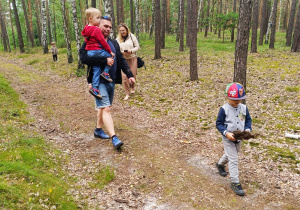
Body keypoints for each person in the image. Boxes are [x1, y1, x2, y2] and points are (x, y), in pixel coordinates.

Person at [80, 16, 135, 150]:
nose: (108, 29)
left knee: (104, 107)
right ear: (98, 25)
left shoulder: (113, 43)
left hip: (111, 80)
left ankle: (98, 130)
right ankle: (114, 138)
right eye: (105, 26)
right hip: (98, 81)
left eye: (110, 27)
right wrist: (104, 62)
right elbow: (84, 58)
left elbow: (121, 60)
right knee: (107, 108)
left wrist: (129, 75)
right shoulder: (89, 42)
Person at [215, 82, 252, 196]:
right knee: (234, 159)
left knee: (231, 154)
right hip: (228, 137)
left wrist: (247, 130)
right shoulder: (224, 109)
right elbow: (219, 124)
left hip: (239, 137)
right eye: (234, 99)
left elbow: (248, 121)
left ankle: (220, 164)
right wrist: (226, 133)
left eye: (239, 99)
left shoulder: (244, 108)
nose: (237, 102)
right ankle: (235, 182)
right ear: (227, 97)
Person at [81, 8, 115, 99]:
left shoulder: (86, 29)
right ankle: (106, 72)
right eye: (98, 18)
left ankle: (95, 88)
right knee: (112, 57)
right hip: (96, 51)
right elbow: (103, 42)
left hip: (90, 52)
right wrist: (110, 52)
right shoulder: (96, 30)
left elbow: (86, 38)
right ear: (90, 19)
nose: (99, 20)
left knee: (96, 70)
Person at [116, 23, 140, 100]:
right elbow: (116, 50)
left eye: (123, 30)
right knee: (125, 77)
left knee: (132, 75)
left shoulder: (132, 37)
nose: (122, 32)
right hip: (123, 60)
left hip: (132, 58)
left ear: (126, 30)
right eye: (120, 30)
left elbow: (137, 47)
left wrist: (131, 51)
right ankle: (127, 93)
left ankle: (132, 87)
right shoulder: (117, 39)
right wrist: (121, 52)